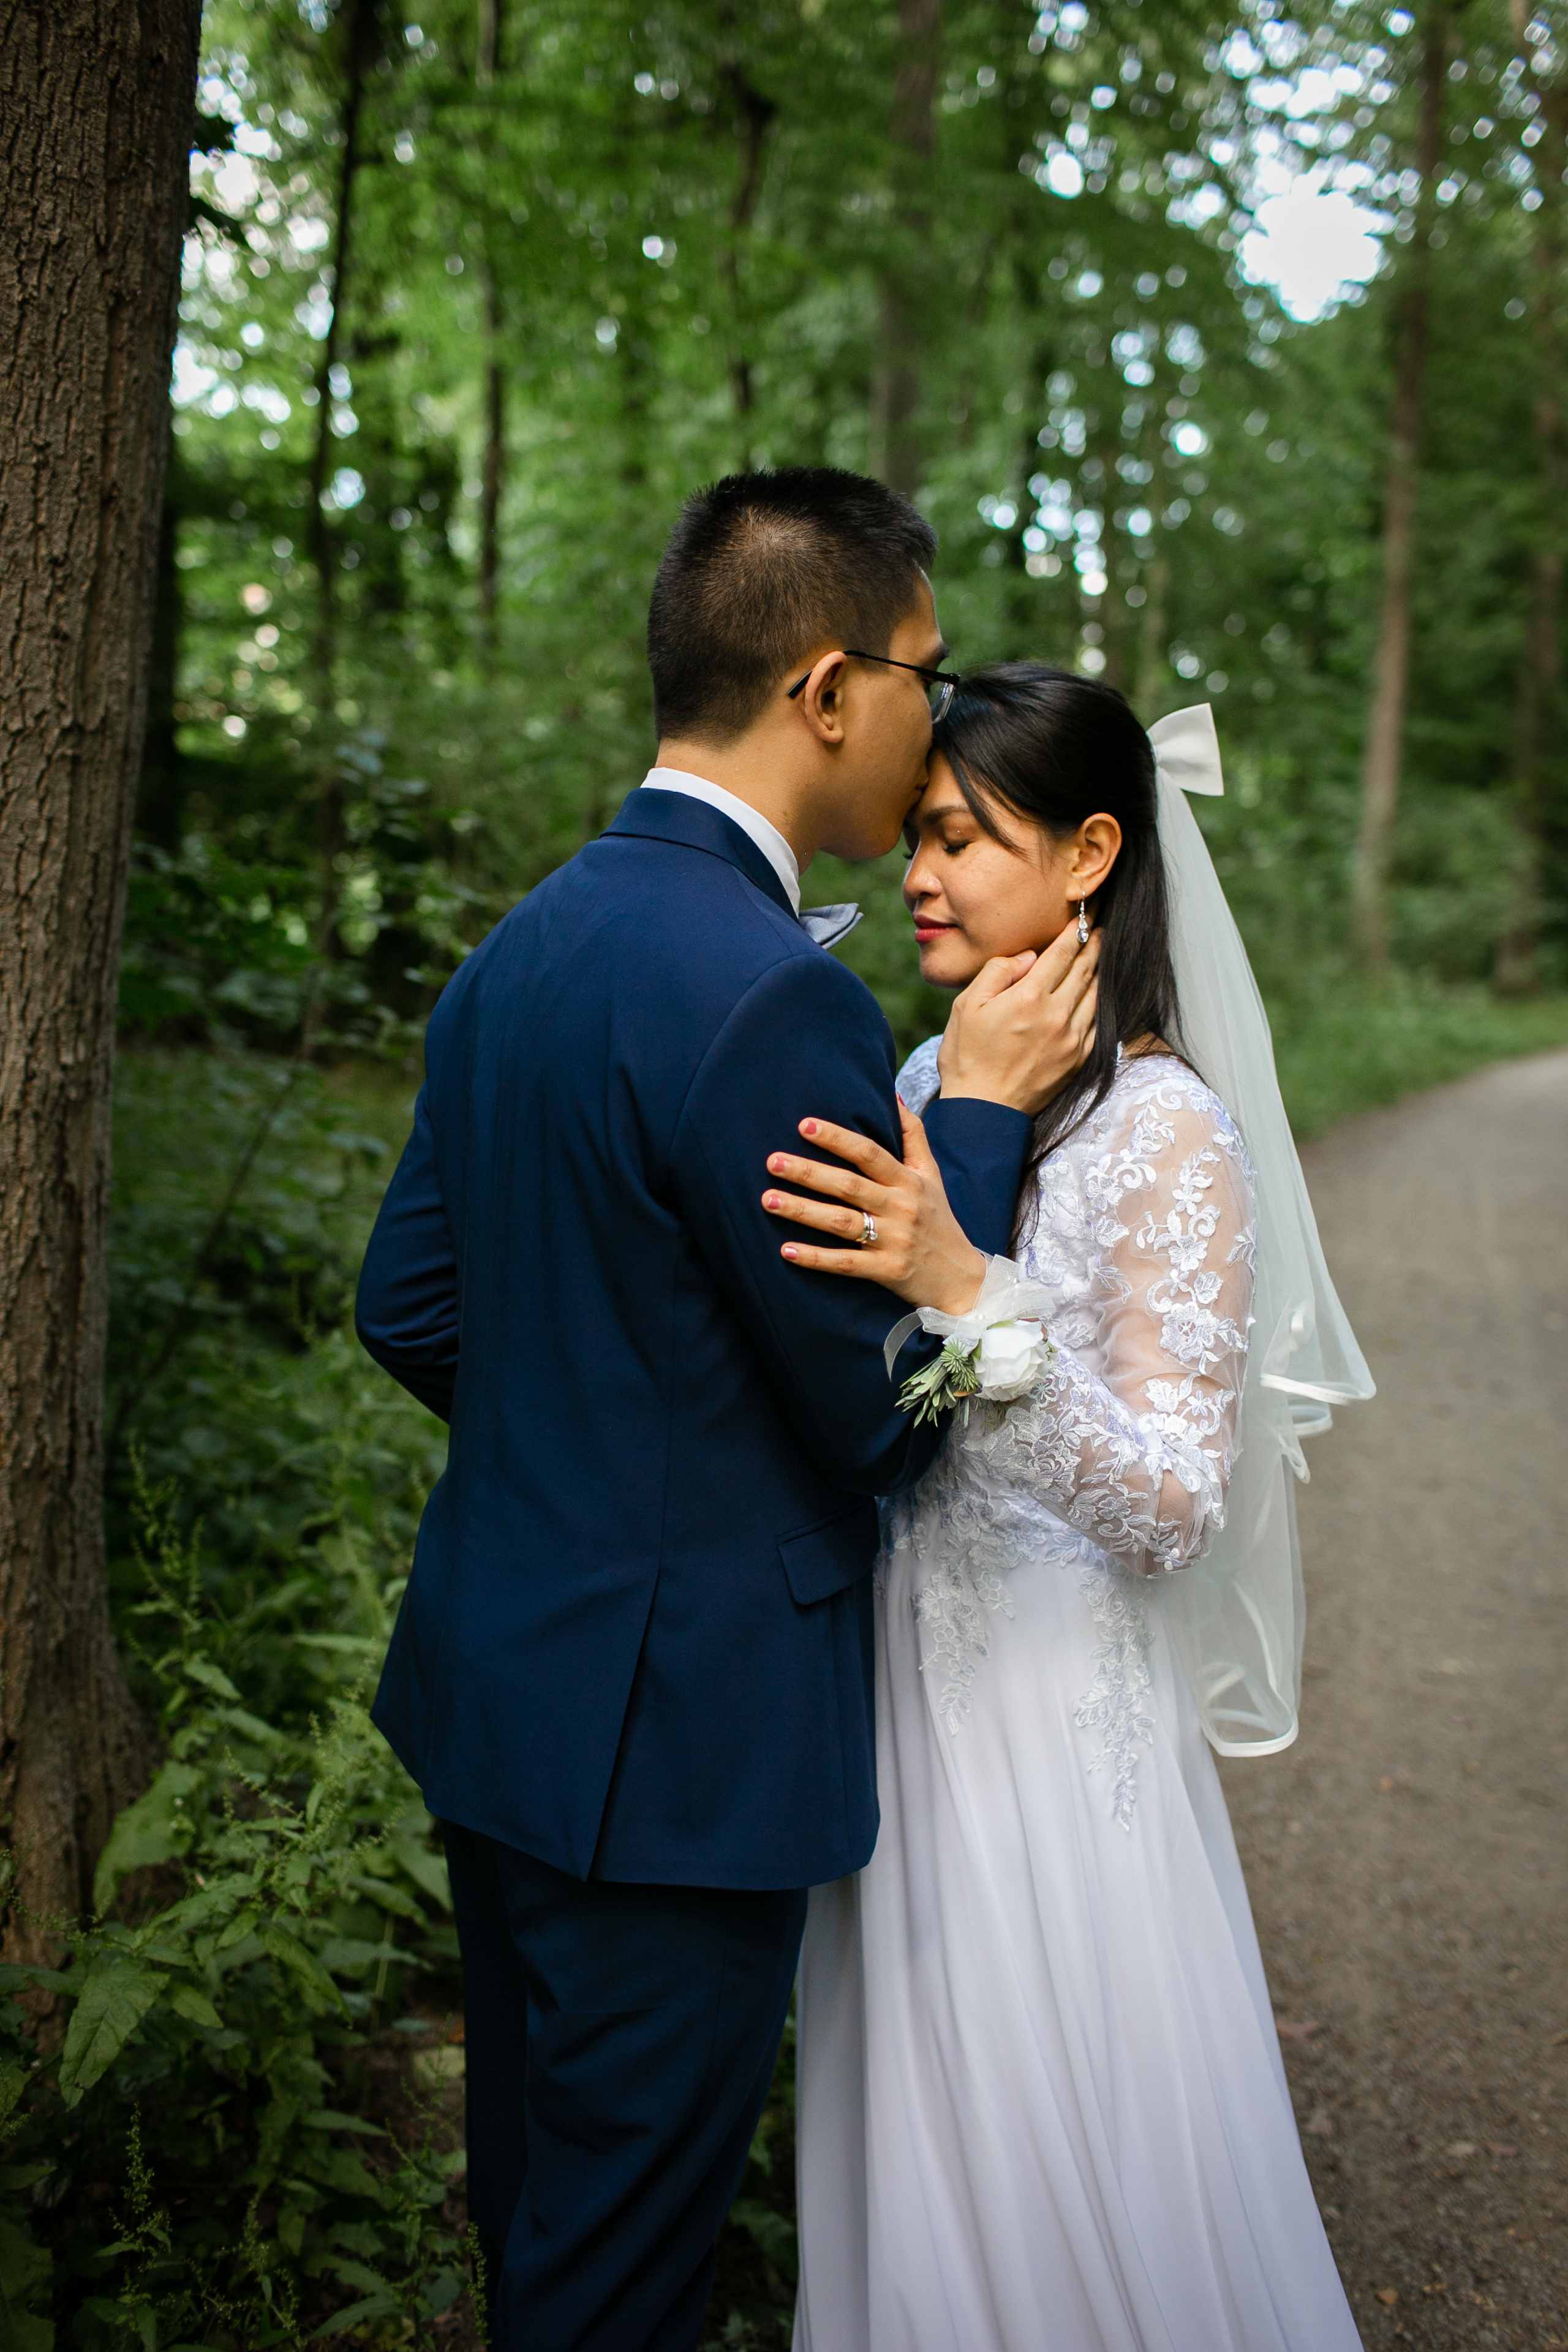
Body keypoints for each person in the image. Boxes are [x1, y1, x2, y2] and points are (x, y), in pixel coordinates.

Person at [353, 478, 1102, 2351]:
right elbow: (887, 1413)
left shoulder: (516, 952)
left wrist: (607, 1453)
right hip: (671, 1757)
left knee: (541, 2212)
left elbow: (413, 1306)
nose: (940, 717)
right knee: (618, 2273)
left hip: (500, 1695)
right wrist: (991, 1122)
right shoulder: (775, 1000)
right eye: (928, 674)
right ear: (831, 688)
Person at [767, 663, 1375, 2352]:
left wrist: (979, 1294)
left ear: (1094, 852)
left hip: (1057, 1725)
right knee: (921, 2140)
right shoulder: (913, 1082)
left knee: (1067, 2144)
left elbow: (1178, 1502)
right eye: (919, 837)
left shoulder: (1169, 1132)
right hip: (899, 1703)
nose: (921, 873)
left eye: (966, 838)